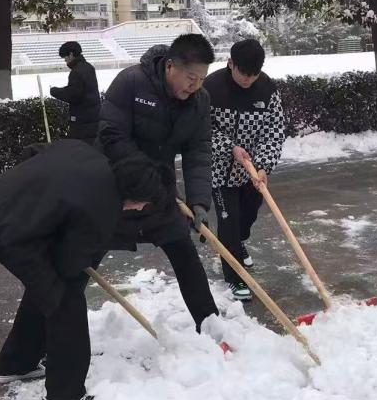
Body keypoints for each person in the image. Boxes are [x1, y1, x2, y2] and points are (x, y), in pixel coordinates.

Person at [0, 140, 165, 400]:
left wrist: (34, 201)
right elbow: (68, 264)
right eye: (141, 205)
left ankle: (17, 364)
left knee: (44, 289)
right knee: (65, 302)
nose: (138, 210)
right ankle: (64, 396)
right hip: (7, 233)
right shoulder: (102, 208)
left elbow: (33, 152)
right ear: (132, 196)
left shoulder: (87, 153)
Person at [98, 33, 219, 331]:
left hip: (161, 195)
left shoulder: (199, 101)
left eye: (202, 79)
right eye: (191, 78)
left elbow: (198, 152)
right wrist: (145, 179)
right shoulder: (131, 83)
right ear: (170, 67)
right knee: (78, 260)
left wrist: (199, 202)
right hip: (116, 192)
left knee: (185, 255)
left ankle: (212, 327)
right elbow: (111, 135)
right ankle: (47, 337)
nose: (196, 86)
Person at [206, 39, 286, 300]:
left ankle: (238, 242)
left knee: (247, 216)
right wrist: (230, 148)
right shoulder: (211, 88)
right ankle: (235, 277)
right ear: (231, 64)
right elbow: (201, 129)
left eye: (254, 75)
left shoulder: (267, 90)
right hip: (219, 169)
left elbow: (274, 131)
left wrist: (263, 166)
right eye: (244, 73)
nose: (248, 80)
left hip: (251, 171)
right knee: (228, 221)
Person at [49, 41, 101, 142]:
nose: (65, 60)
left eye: (65, 57)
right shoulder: (89, 67)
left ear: (71, 54)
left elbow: (73, 95)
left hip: (82, 119)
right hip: (93, 116)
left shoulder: (76, 71)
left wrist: (54, 91)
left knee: (79, 146)